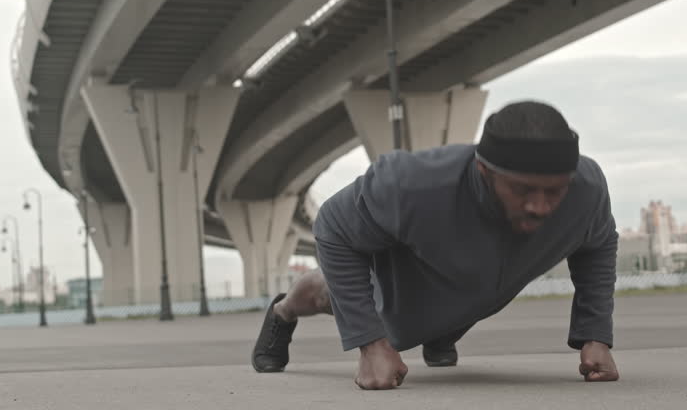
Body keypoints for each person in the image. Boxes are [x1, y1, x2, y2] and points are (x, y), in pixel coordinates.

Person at [251, 100, 620, 389]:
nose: (540, 207)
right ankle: (283, 312)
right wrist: (370, 343)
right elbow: (332, 227)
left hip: (474, 285)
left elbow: (599, 245)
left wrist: (595, 335)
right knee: (323, 293)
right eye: (523, 190)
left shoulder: (586, 191)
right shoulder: (411, 184)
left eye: (554, 192)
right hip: (401, 279)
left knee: (474, 283)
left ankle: (440, 335)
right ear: (484, 172)